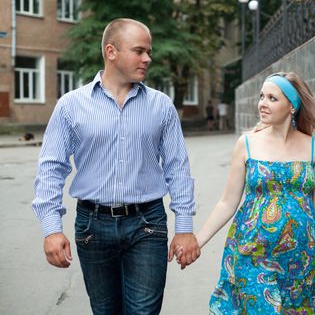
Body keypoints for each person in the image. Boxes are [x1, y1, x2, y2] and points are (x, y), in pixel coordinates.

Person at [32, 18, 200, 315]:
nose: (147, 58)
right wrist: (51, 229)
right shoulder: (71, 105)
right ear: (111, 52)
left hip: (147, 225)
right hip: (92, 226)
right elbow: (51, 168)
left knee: (143, 312)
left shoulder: (161, 105)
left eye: (148, 51)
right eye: (139, 51)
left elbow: (177, 168)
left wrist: (184, 227)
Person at [178, 72, 315, 313]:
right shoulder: (247, 143)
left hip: (303, 260)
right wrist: (197, 240)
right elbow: (227, 201)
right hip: (252, 253)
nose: (262, 103)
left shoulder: (314, 147)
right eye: (262, 96)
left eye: (272, 98)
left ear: (292, 106)